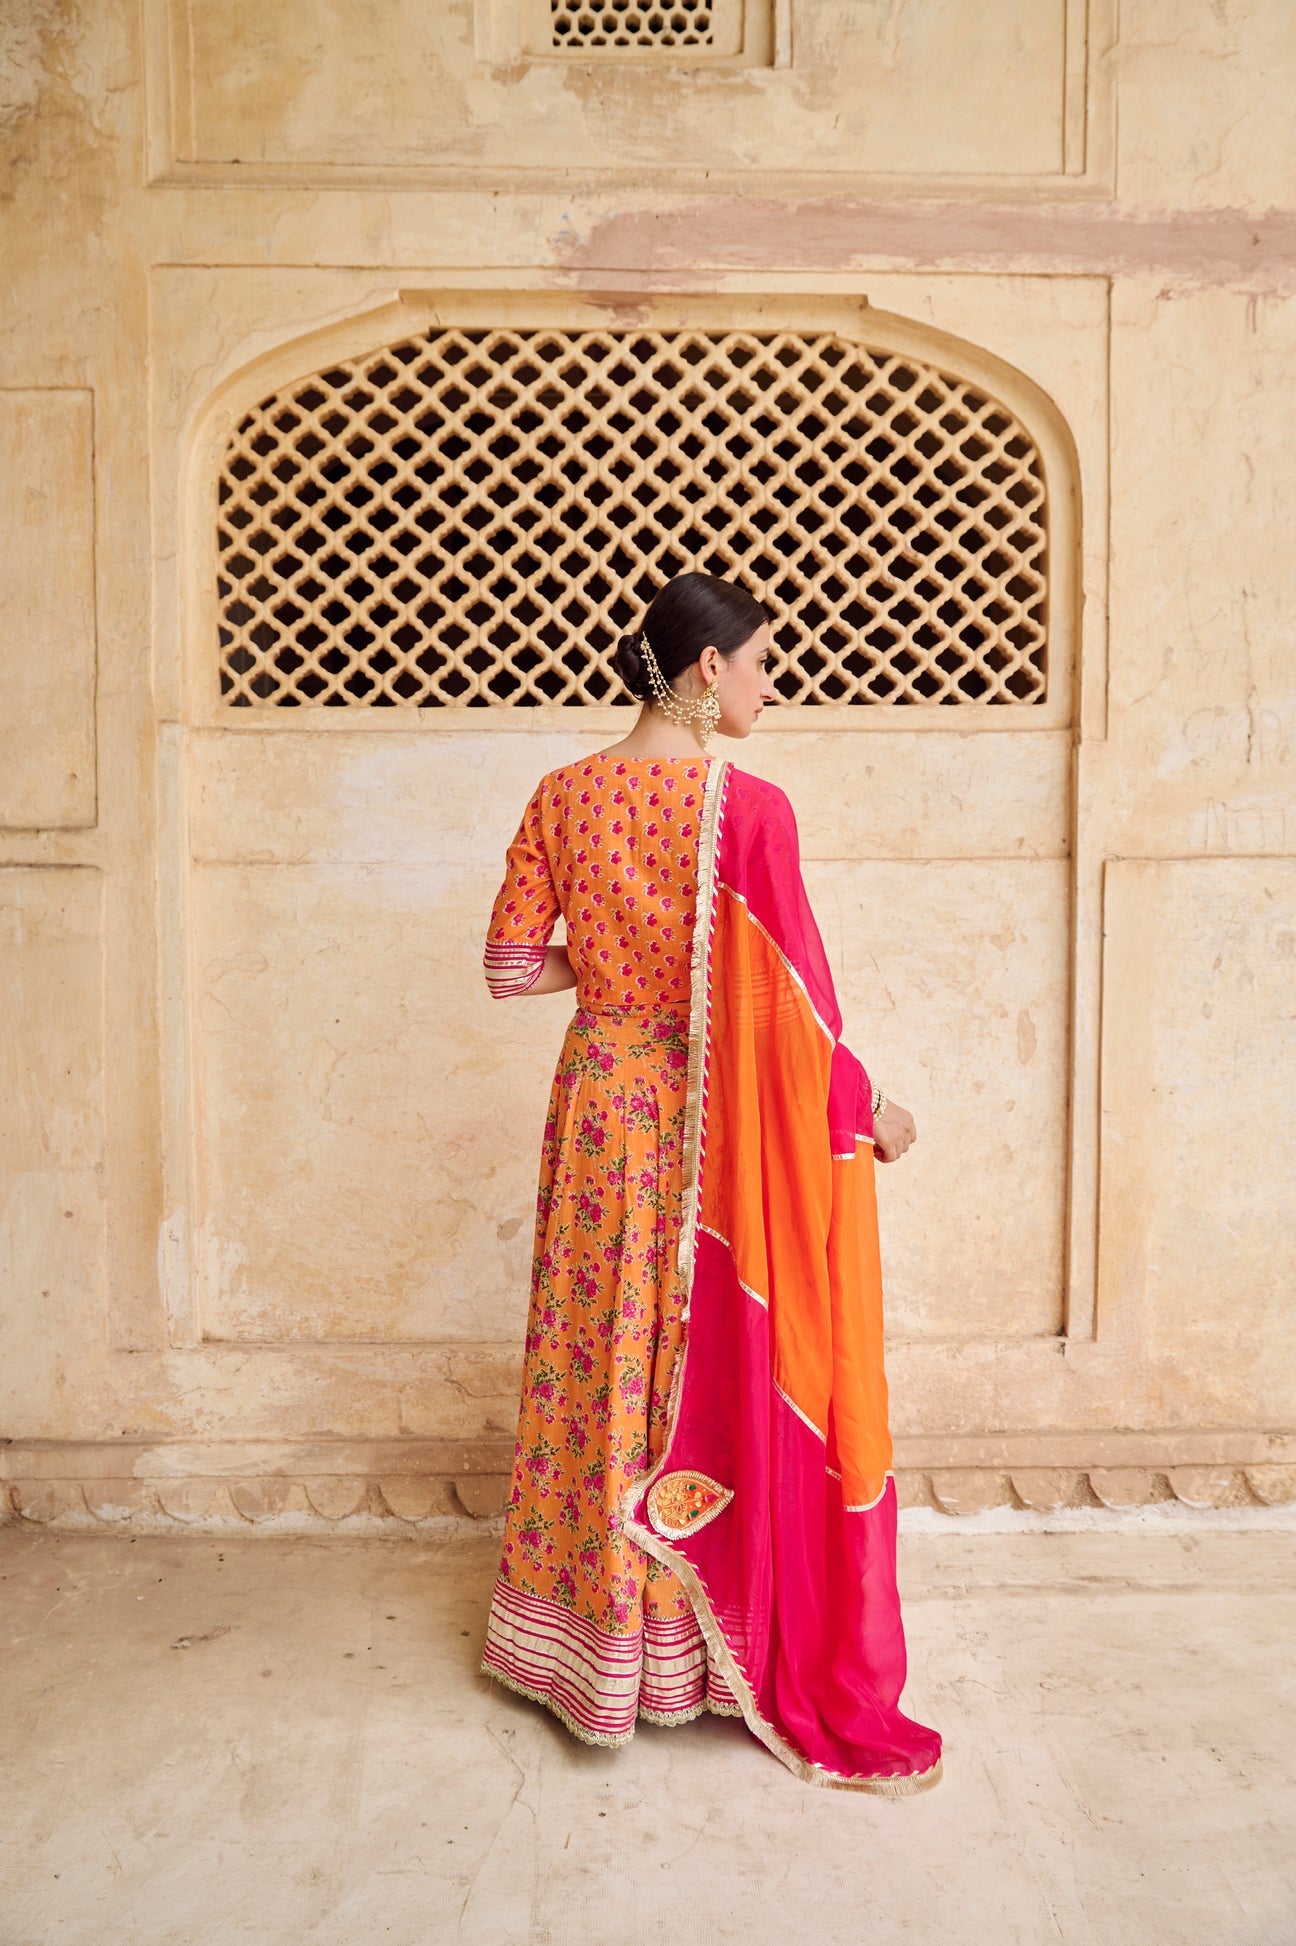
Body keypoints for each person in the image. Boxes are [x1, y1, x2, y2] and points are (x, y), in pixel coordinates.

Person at [479, 571, 943, 1794]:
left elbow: (511, 967)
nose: (768, 687)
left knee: (600, 1347)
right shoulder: (751, 811)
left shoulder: (564, 795)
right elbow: (793, 1020)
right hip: (708, 1132)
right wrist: (872, 1112)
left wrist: (620, 971)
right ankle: (687, 1653)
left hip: (597, 1109)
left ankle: (577, 1645)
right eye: (760, 665)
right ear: (703, 670)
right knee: (696, 1358)